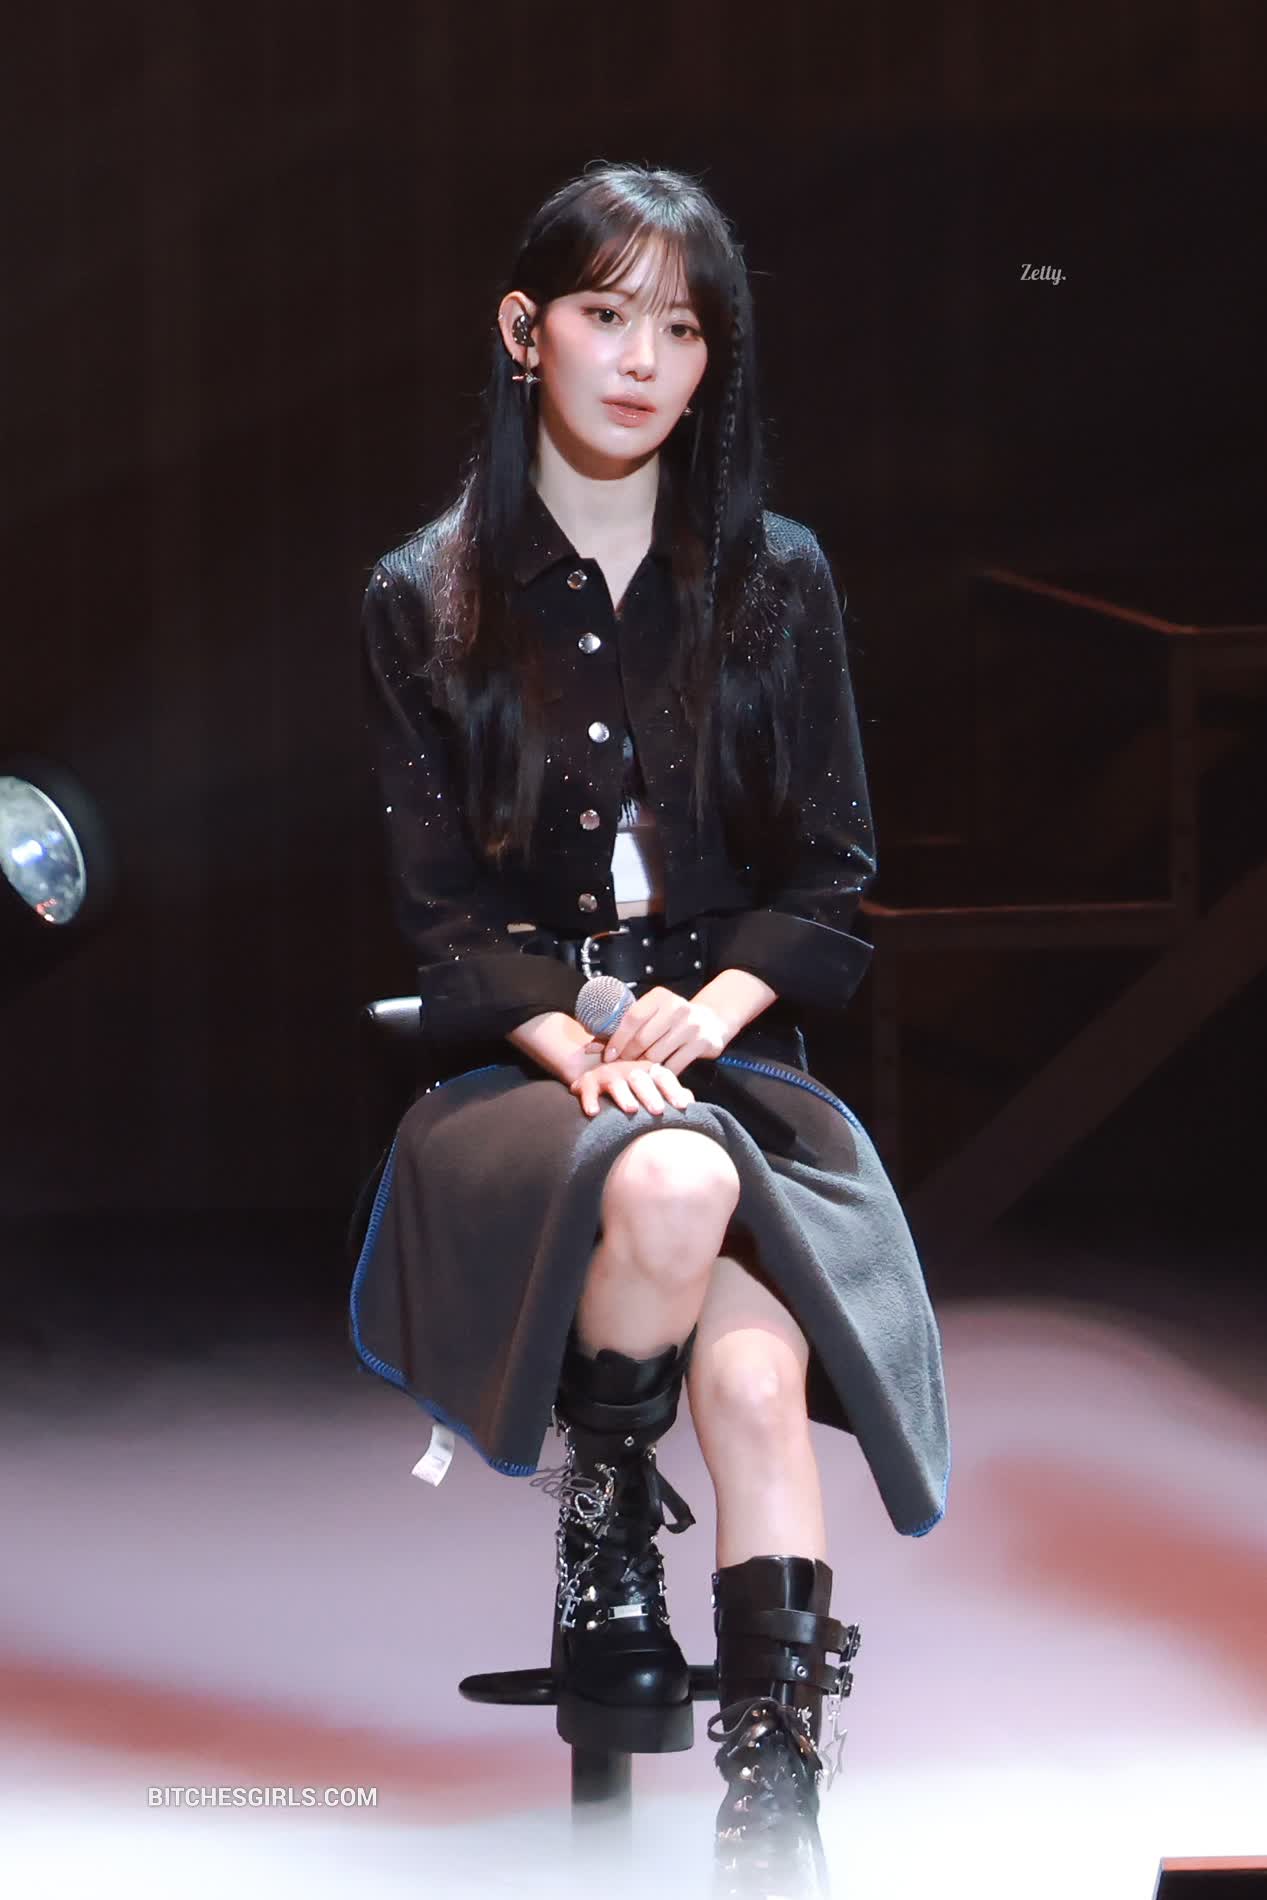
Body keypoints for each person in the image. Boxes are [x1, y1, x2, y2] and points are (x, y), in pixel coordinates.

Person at [350, 161, 950, 1896]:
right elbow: (444, 919)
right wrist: (583, 1047)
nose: (642, 360)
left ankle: (777, 1811)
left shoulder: (775, 579)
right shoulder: (427, 593)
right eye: (606, 315)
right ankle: (609, 1503)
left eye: (682, 329)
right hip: (517, 1073)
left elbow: (829, 878)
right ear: (524, 329)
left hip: (725, 1059)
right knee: (671, 1182)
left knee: (756, 1378)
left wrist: (710, 1016)